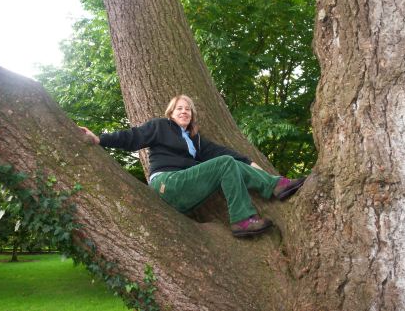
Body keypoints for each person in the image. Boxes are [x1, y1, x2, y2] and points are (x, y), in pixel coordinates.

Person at [81, 95, 305, 237]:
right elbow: (133, 137)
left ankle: (277, 185)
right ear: (171, 112)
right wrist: (101, 139)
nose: (184, 111)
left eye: (188, 109)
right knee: (226, 164)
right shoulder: (160, 126)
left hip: (186, 195)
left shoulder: (196, 140)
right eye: (179, 108)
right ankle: (242, 219)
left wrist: (249, 162)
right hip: (166, 184)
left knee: (229, 163)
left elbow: (222, 152)